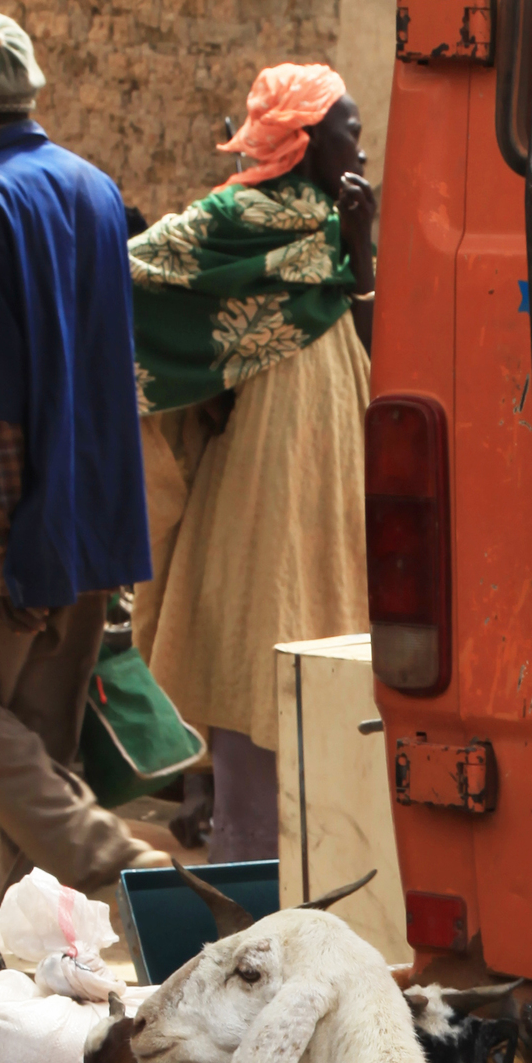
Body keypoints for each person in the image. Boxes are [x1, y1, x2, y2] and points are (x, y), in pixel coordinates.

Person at [0, 9, 162, 899]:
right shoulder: (93, 188)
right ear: (31, 92)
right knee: (39, 751)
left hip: (13, 536)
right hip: (91, 525)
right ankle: (34, 970)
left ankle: (116, 858)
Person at [128, 62, 374, 865]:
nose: (362, 150)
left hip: (329, 461)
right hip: (260, 474)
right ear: (304, 139)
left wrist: (363, 252)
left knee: (328, 628)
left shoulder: (340, 224)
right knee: (258, 639)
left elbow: (364, 331)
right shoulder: (232, 219)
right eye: (351, 132)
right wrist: (208, 377)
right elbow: (133, 274)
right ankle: (247, 890)